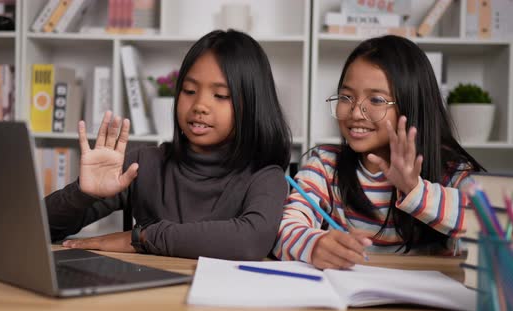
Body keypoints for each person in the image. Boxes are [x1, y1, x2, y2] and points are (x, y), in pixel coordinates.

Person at [46, 29, 292, 260]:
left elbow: (251, 240)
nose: (199, 106)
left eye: (220, 95)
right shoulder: (143, 164)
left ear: (252, 104)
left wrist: (141, 238)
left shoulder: (265, 175)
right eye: (189, 90)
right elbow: (39, 228)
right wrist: (82, 194)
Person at [274, 35, 483, 269]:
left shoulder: (451, 169)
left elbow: (490, 224)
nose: (355, 113)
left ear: (413, 104)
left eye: (375, 99)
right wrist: (314, 245)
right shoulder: (325, 165)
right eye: (346, 97)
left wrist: (415, 191)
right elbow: (285, 227)